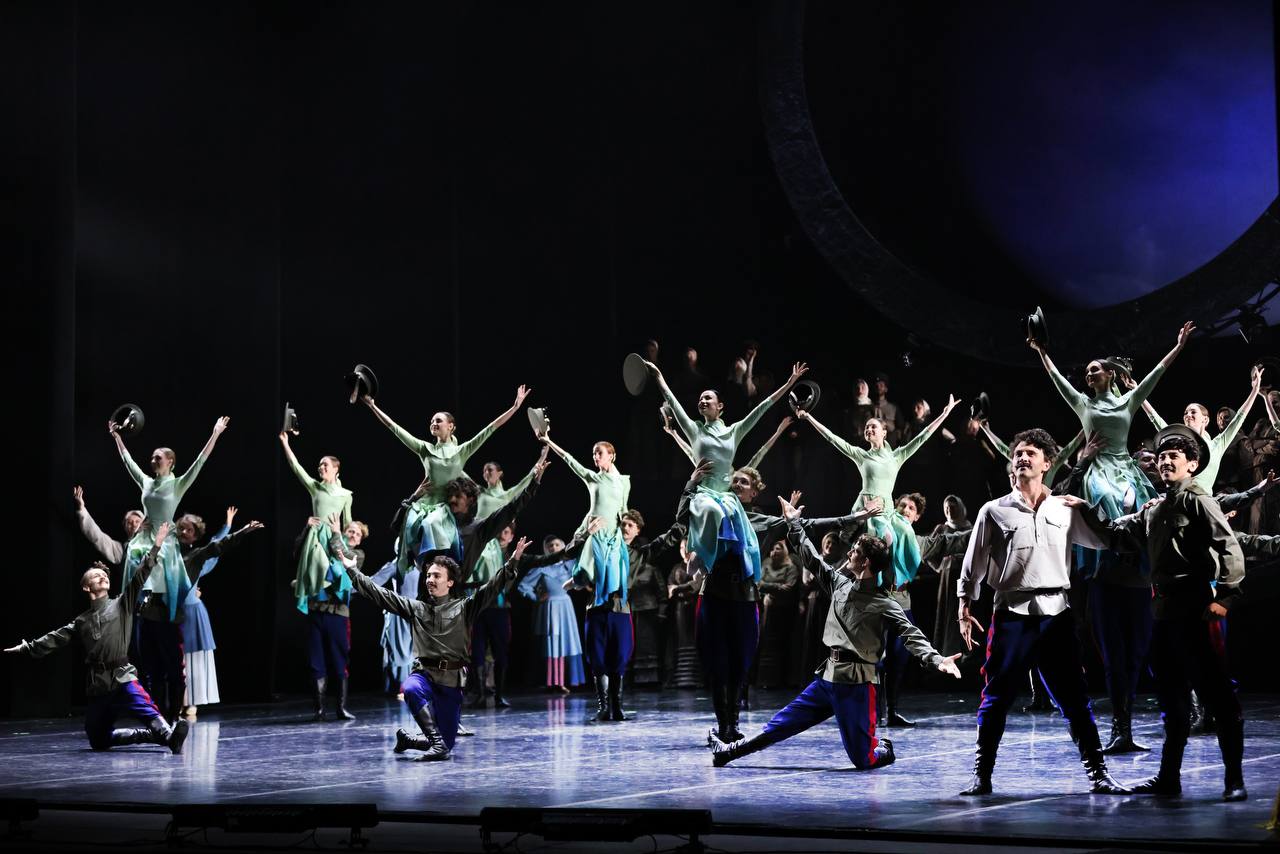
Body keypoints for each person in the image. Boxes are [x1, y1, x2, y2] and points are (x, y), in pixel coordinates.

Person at [710, 498, 960, 769]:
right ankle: (728, 752)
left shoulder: (884, 603)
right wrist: (794, 524)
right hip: (828, 677)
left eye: (855, 551)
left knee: (864, 759)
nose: (849, 553)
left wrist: (937, 659)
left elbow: (911, 635)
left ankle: (884, 748)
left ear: (865, 562)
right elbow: (812, 558)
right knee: (779, 725)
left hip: (857, 686)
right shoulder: (840, 584)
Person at [955, 429, 1129, 797]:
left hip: (1056, 615)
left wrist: (1089, 509)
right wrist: (964, 605)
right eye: (1018, 453)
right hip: (1011, 614)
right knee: (995, 698)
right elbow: (973, 563)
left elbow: (1105, 539)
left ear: (1047, 464)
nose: (1022, 457)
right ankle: (982, 775)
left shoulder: (1064, 508)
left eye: (1030, 453)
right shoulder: (994, 510)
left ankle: (1098, 774)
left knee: (1074, 699)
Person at [1089, 426, 1249, 801]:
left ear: (1192, 464)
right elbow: (1118, 536)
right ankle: (1168, 778)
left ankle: (1234, 780)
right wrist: (1082, 510)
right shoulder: (1157, 508)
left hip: (1195, 608)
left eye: (1173, 456)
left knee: (1217, 696)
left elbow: (1229, 546)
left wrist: (1226, 596)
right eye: (1161, 456)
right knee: (1171, 699)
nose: (1164, 461)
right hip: (1163, 612)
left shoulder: (1199, 500)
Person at [341, 535, 537, 761]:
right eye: (428, 575)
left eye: (436, 575)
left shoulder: (465, 607)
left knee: (448, 740)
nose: (430, 580)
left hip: (451, 681)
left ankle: (410, 740)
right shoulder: (416, 608)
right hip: (424, 675)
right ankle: (437, 745)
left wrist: (512, 561)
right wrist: (353, 571)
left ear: (450, 582)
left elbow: (492, 587)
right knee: (411, 689)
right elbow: (380, 595)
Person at [6, 524, 189, 753]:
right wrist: (26, 648)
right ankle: (147, 735)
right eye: (96, 575)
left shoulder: (122, 604)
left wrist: (157, 544)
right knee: (98, 740)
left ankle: (169, 737)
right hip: (98, 684)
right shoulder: (81, 621)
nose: (102, 576)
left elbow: (141, 574)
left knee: (144, 706)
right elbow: (55, 638)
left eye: (104, 575)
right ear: (86, 587)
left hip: (123, 676)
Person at [796, 394, 960, 593]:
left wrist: (944, 414)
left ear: (884, 432)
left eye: (873, 426)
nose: (869, 429)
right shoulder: (862, 456)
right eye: (867, 427)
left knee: (906, 535)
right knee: (880, 540)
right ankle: (856, 580)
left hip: (889, 511)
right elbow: (832, 438)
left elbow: (922, 437)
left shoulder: (896, 456)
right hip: (870, 511)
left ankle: (894, 585)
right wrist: (809, 417)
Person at [362, 385, 530, 574]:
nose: (433, 423)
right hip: (425, 504)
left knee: (432, 525)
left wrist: (515, 407)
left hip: (446, 507)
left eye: (438, 420)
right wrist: (372, 406)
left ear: (450, 426)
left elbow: (491, 428)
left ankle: (441, 568)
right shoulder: (425, 448)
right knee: (407, 529)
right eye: (432, 421)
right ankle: (420, 565)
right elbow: (394, 428)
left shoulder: (462, 451)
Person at [279, 432, 359, 720]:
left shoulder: (346, 495)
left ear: (336, 468)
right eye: (320, 465)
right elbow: (296, 467)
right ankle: (320, 707)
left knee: (336, 572)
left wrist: (343, 539)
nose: (320, 468)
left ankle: (340, 705)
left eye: (325, 465)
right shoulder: (315, 488)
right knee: (315, 571)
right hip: (316, 541)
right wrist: (286, 443)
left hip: (334, 541)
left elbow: (349, 525)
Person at [1139, 365, 1263, 491]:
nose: (1188, 415)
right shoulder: (1179, 441)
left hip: (1203, 499)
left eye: (1193, 412)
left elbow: (1239, 418)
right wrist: (1139, 394)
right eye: (1186, 413)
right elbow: (1156, 419)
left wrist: (1255, 390)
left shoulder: (1217, 444)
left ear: (1205, 419)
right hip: (1179, 498)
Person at [177, 507, 237, 717]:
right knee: (176, 658)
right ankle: (179, 699)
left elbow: (215, 546)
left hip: (192, 612)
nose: (184, 532)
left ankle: (191, 700)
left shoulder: (197, 556)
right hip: (172, 612)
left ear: (195, 535)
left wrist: (227, 526)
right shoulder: (169, 554)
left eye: (189, 530)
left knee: (192, 658)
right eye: (182, 528)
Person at [516, 534, 586, 693]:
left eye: (556, 544)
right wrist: (536, 597)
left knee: (566, 643)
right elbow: (523, 586)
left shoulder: (569, 565)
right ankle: (552, 680)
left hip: (566, 607)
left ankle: (563, 680)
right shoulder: (542, 567)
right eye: (550, 546)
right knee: (552, 643)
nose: (553, 548)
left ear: (563, 546)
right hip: (550, 608)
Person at [623, 510, 670, 688]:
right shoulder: (628, 570)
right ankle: (631, 678)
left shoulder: (651, 570)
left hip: (648, 612)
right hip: (630, 611)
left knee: (647, 645)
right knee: (631, 646)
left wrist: (662, 613)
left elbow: (662, 593)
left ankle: (650, 679)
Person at [72, 485, 143, 568]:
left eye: (137, 521)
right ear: (125, 528)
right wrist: (82, 509)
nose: (134, 524)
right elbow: (98, 536)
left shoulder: (154, 538)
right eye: (129, 523)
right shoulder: (120, 550)